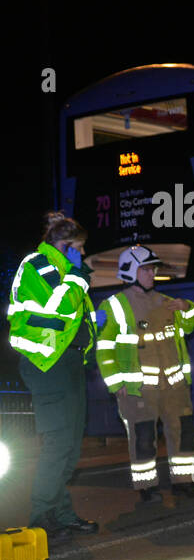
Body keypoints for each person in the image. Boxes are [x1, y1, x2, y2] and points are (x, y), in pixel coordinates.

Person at [6, 213, 100, 535]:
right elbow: (60, 311)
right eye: (79, 248)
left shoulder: (65, 271)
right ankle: (40, 517)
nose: (83, 255)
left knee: (70, 446)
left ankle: (60, 513)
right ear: (64, 245)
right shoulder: (41, 265)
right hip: (48, 364)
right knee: (59, 444)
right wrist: (76, 277)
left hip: (67, 363)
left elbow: (73, 318)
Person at [96, 246, 194, 501]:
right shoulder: (114, 306)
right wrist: (115, 383)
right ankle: (146, 487)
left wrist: (186, 306)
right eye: (145, 269)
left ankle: (184, 482)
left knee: (183, 434)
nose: (151, 274)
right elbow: (104, 348)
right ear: (130, 272)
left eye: (153, 269)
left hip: (175, 386)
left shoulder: (167, 302)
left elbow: (189, 325)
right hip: (138, 390)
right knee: (143, 439)